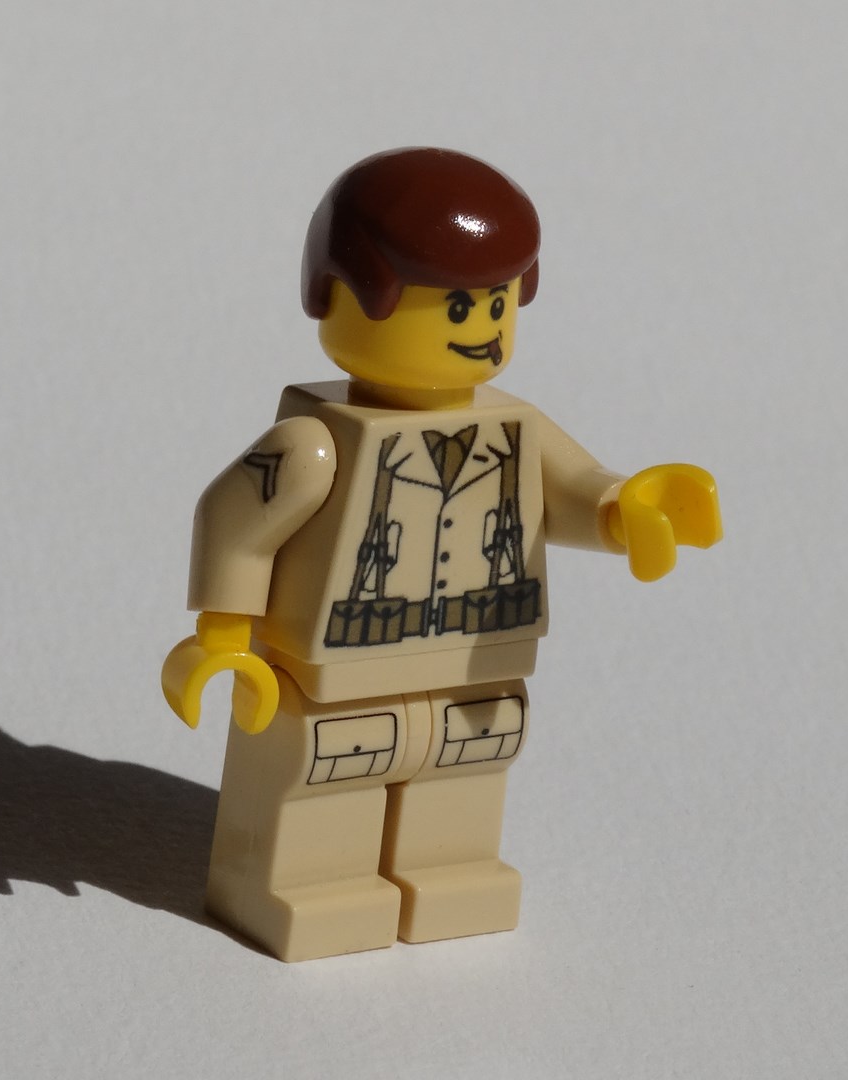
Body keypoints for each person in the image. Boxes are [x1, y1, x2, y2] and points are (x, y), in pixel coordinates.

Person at [162, 147, 721, 961]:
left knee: (467, 755)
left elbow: (570, 489)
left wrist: (623, 510)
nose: (483, 326)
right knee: (333, 759)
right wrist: (222, 634)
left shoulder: (512, 425)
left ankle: (447, 868)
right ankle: (306, 880)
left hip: (478, 654)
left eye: (497, 302)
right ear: (344, 295)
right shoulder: (315, 443)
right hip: (339, 664)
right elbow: (235, 518)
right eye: (456, 306)